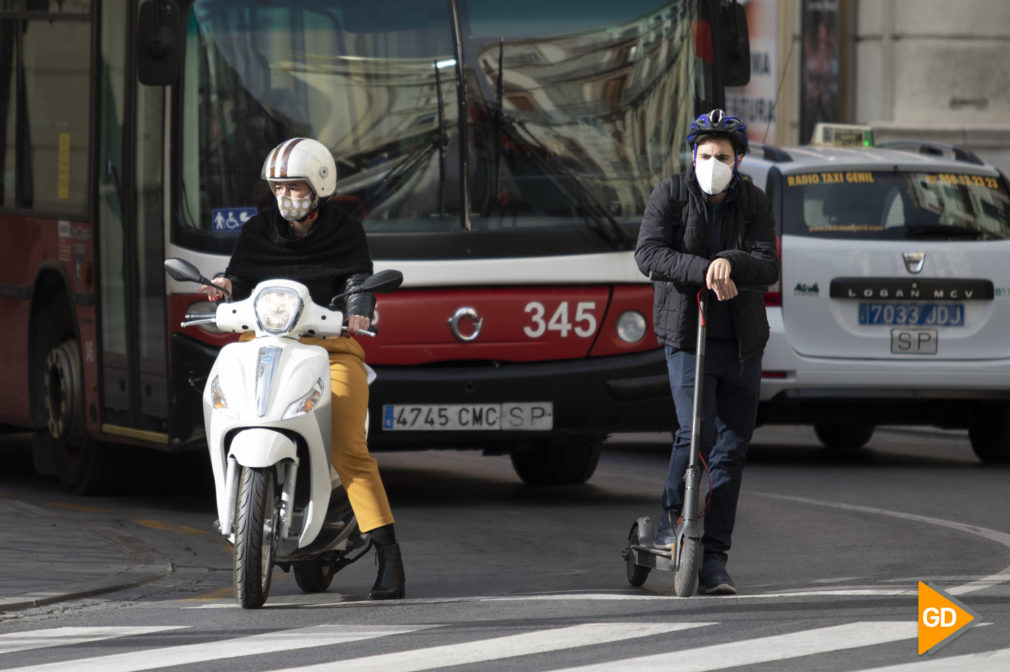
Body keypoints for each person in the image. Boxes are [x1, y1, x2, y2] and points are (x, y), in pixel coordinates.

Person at [203, 137, 405, 600]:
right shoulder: (257, 230)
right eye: (278, 187)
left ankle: (389, 558)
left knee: (350, 449)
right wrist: (223, 285)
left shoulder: (345, 231)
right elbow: (240, 276)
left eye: (294, 186)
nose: (285, 196)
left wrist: (359, 305)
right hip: (263, 344)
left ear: (319, 186)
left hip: (330, 348)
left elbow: (358, 277)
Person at [634, 110, 779, 595]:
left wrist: (729, 261)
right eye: (706, 154)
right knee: (695, 434)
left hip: (740, 342)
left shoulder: (753, 201)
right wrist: (704, 269)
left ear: (738, 160)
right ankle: (672, 521)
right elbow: (649, 254)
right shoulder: (671, 194)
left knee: (732, 445)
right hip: (686, 335)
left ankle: (714, 556)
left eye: (723, 155)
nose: (713, 162)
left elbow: (766, 264)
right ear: (693, 156)